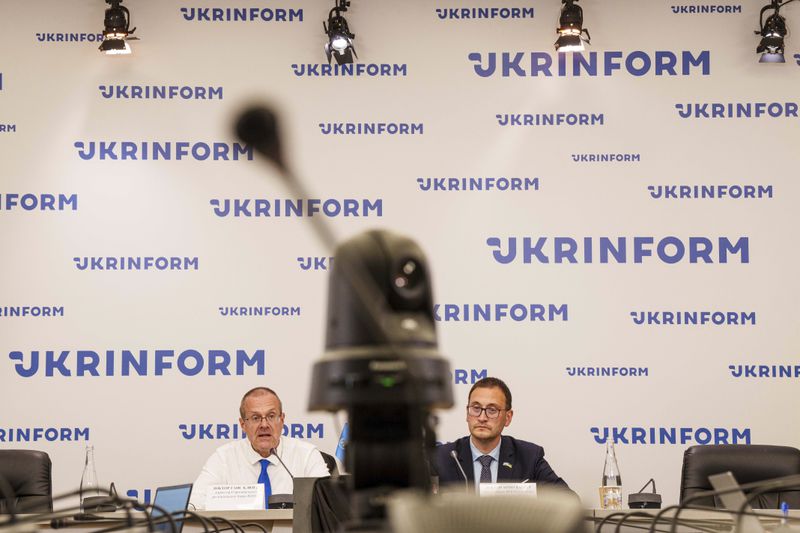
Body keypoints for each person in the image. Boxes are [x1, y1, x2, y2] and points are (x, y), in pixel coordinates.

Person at [189, 386, 330, 509]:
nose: (264, 425)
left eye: (271, 416)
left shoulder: (307, 455)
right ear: (243, 424)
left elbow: (327, 504)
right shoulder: (224, 458)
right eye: (256, 418)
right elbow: (193, 503)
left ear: (282, 420)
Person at [435, 377, 571, 492]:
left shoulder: (529, 457)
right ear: (467, 413)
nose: (482, 417)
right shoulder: (442, 458)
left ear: (508, 417)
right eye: (476, 408)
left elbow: (569, 501)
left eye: (492, 410)